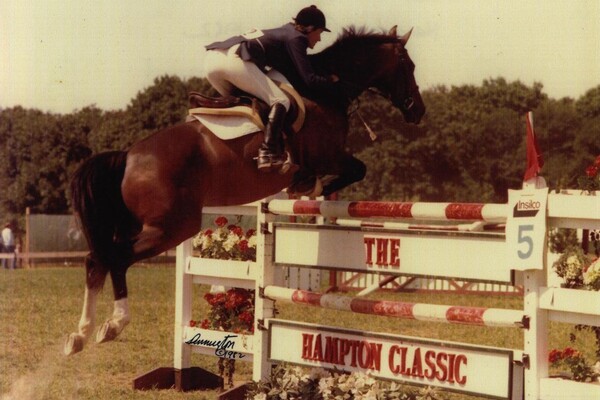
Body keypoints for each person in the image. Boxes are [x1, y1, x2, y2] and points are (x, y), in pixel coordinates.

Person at [204, 5, 339, 172]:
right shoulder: (297, 38)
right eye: (319, 33)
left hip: (213, 60)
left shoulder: (285, 32)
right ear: (310, 29)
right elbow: (309, 80)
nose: (319, 39)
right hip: (233, 61)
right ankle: (267, 152)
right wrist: (330, 81)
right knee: (280, 100)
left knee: (251, 105)